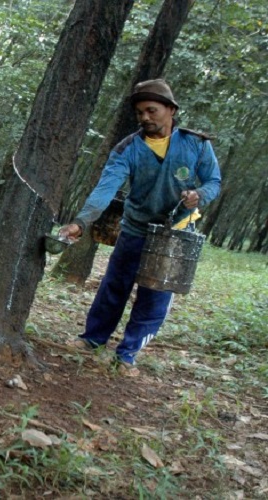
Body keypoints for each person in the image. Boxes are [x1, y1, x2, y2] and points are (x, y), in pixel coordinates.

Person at [58, 78, 222, 376]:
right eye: (139, 112)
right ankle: (93, 339)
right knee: (114, 285)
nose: (145, 117)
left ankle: (127, 354)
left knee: (154, 294)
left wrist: (199, 195)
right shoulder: (128, 148)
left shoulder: (196, 144)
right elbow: (106, 188)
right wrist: (82, 222)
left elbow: (214, 181)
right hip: (135, 228)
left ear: (171, 110)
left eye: (151, 110)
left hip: (174, 234)